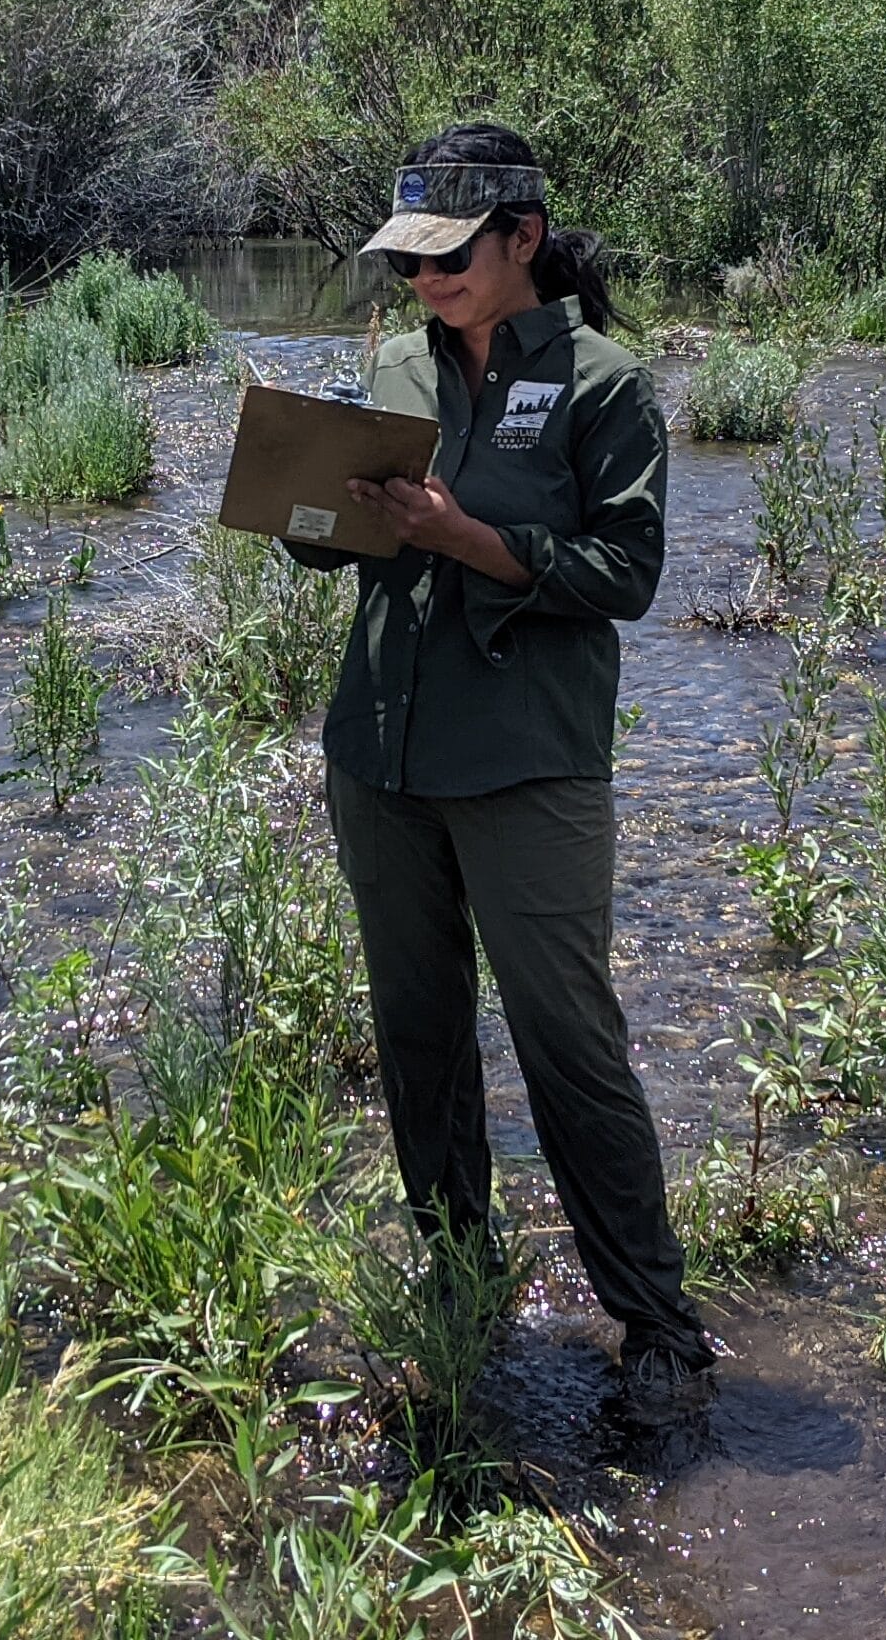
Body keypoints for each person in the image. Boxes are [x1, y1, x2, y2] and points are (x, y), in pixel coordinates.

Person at [288, 120, 715, 1420]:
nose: (423, 283)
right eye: (406, 263)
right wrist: (305, 509)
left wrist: (470, 539)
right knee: (415, 1037)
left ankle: (656, 1331)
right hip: (383, 756)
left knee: (568, 1045)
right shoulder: (400, 378)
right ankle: (455, 1283)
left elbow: (624, 579)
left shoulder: (601, 385)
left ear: (521, 238)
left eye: (448, 258)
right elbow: (336, 549)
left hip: (526, 768)